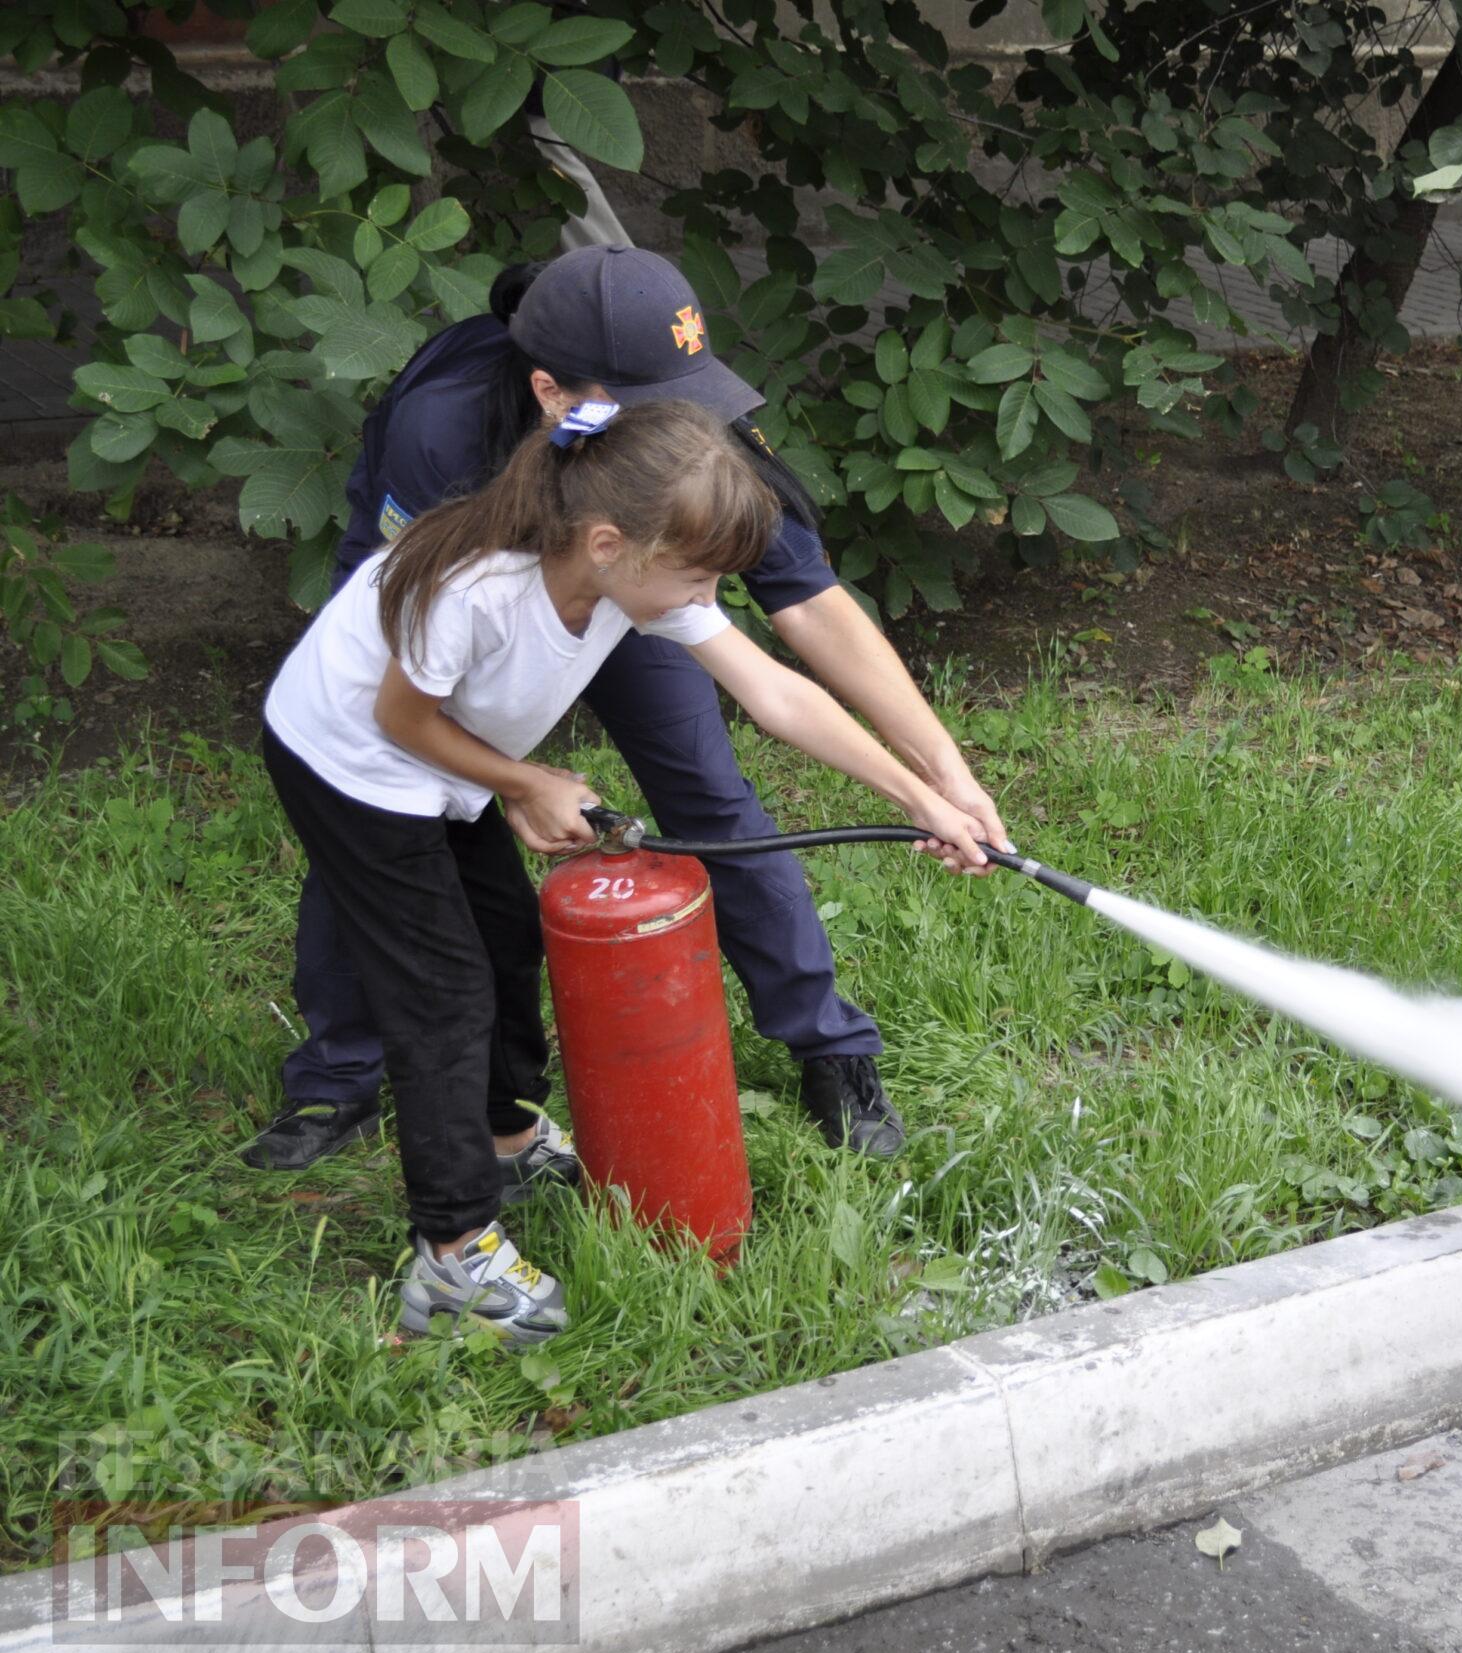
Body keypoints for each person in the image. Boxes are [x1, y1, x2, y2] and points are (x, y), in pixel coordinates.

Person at [245, 246, 1008, 1171]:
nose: (688, 428)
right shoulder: (441, 432)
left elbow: (802, 619)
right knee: (382, 813)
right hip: (454, 622)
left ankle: (827, 1045)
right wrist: (516, 779)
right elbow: (394, 705)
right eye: (653, 406)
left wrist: (938, 779)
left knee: (708, 793)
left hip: (633, 590)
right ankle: (338, 1076)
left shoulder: (687, 453)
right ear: (554, 396)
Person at [262, 399, 990, 1343]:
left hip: (448, 759)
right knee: (440, 994)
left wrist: (923, 795)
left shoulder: (631, 574)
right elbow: (400, 722)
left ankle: (509, 1138)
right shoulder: (476, 586)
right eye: (696, 577)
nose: (705, 599)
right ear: (609, 542)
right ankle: (452, 1257)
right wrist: (528, 783)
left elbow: (775, 693)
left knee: (508, 940)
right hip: (349, 763)